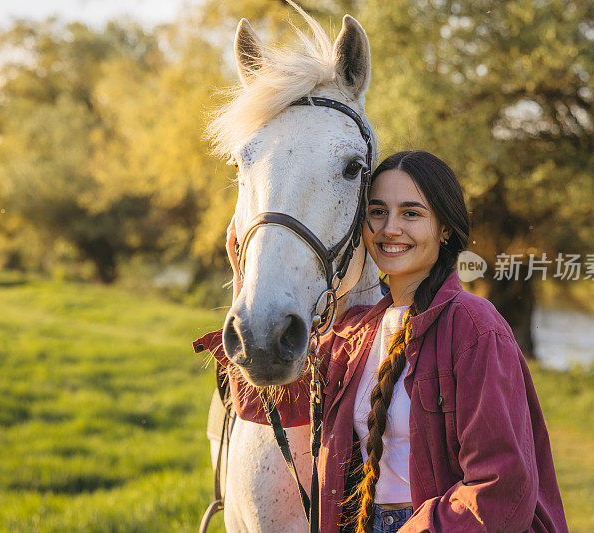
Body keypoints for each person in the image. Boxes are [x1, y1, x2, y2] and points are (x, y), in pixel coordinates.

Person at [195, 151, 569, 532]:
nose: (390, 228)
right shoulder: (357, 333)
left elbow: (499, 487)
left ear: (443, 229)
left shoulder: (475, 328)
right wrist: (248, 284)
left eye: (411, 213)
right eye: (377, 212)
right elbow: (261, 403)